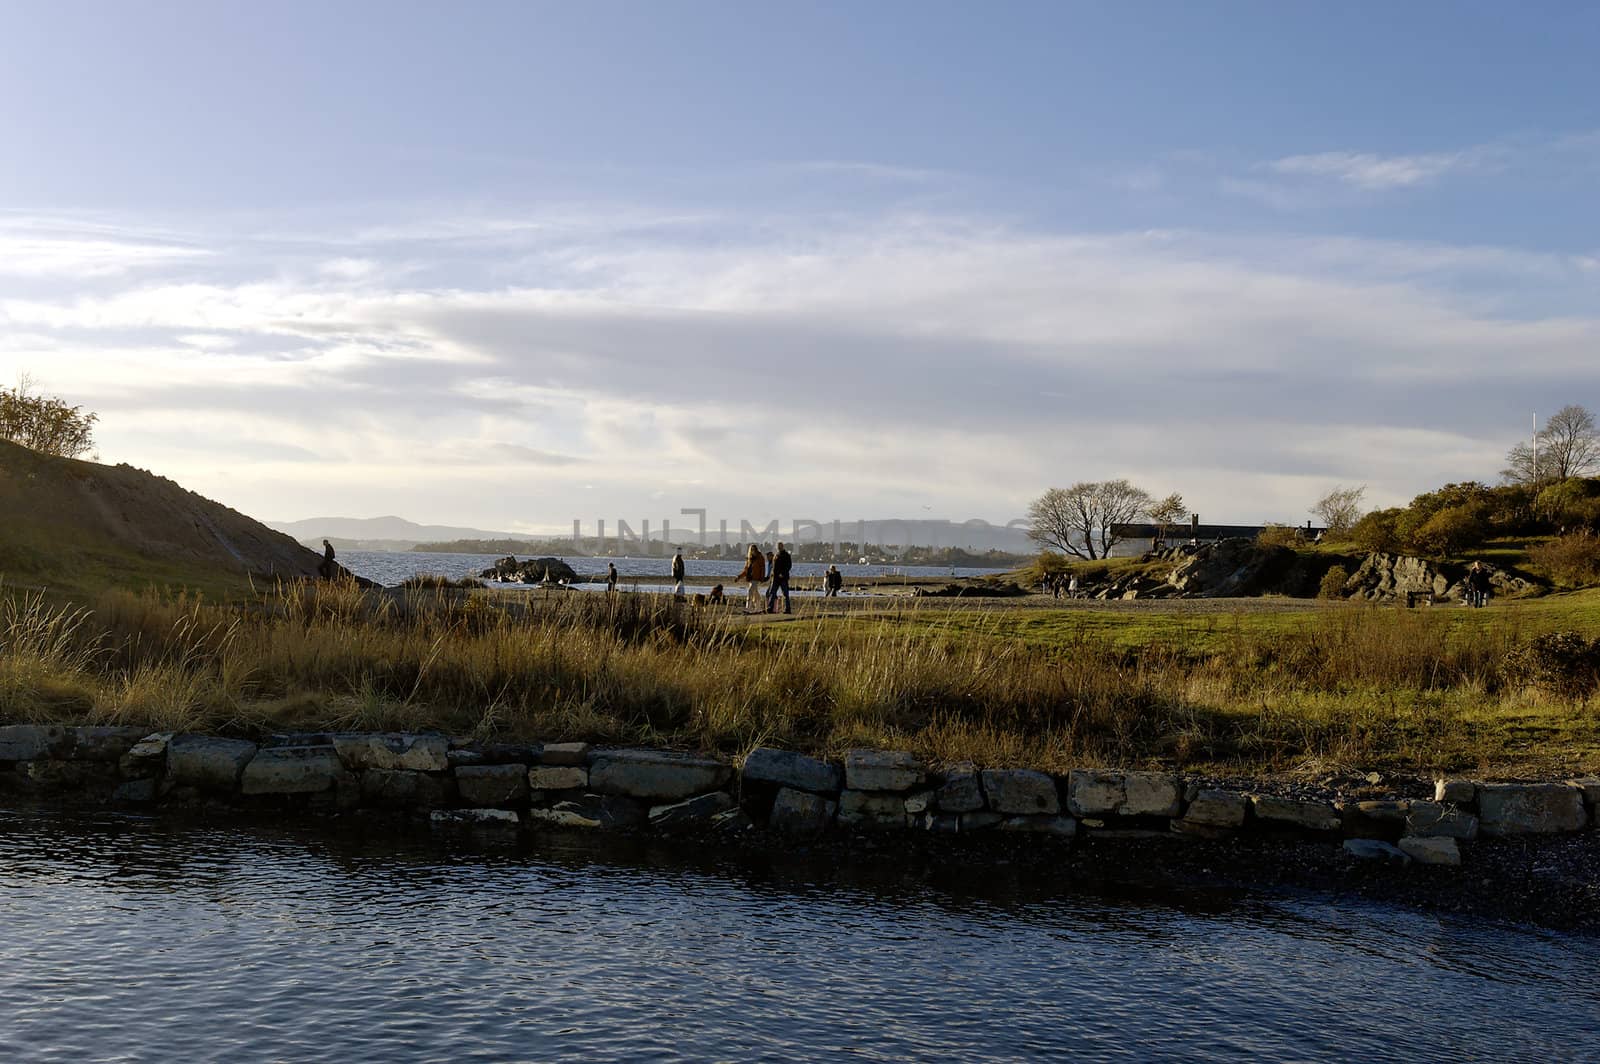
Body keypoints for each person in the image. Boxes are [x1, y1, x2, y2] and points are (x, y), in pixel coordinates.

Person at [737, 544, 766, 613]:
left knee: (750, 591)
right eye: (751, 549)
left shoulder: (760, 557)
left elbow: (762, 568)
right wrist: (739, 577)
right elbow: (746, 570)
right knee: (755, 593)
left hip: (756, 578)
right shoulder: (749, 559)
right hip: (750, 578)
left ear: (756, 549)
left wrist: (762, 577)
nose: (753, 551)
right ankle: (758, 608)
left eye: (754, 549)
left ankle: (748, 607)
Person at [767, 541, 793, 614]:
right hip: (775, 578)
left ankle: (788, 609)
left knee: (785, 594)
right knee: (772, 592)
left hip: (783, 578)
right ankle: (770, 608)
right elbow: (774, 566)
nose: (779, 547)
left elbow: (789, 566)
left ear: (783, 546)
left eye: (780, 546)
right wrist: (772, 573)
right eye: (778, 546)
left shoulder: (786, 555)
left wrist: (783, 574)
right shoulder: (776, 555)